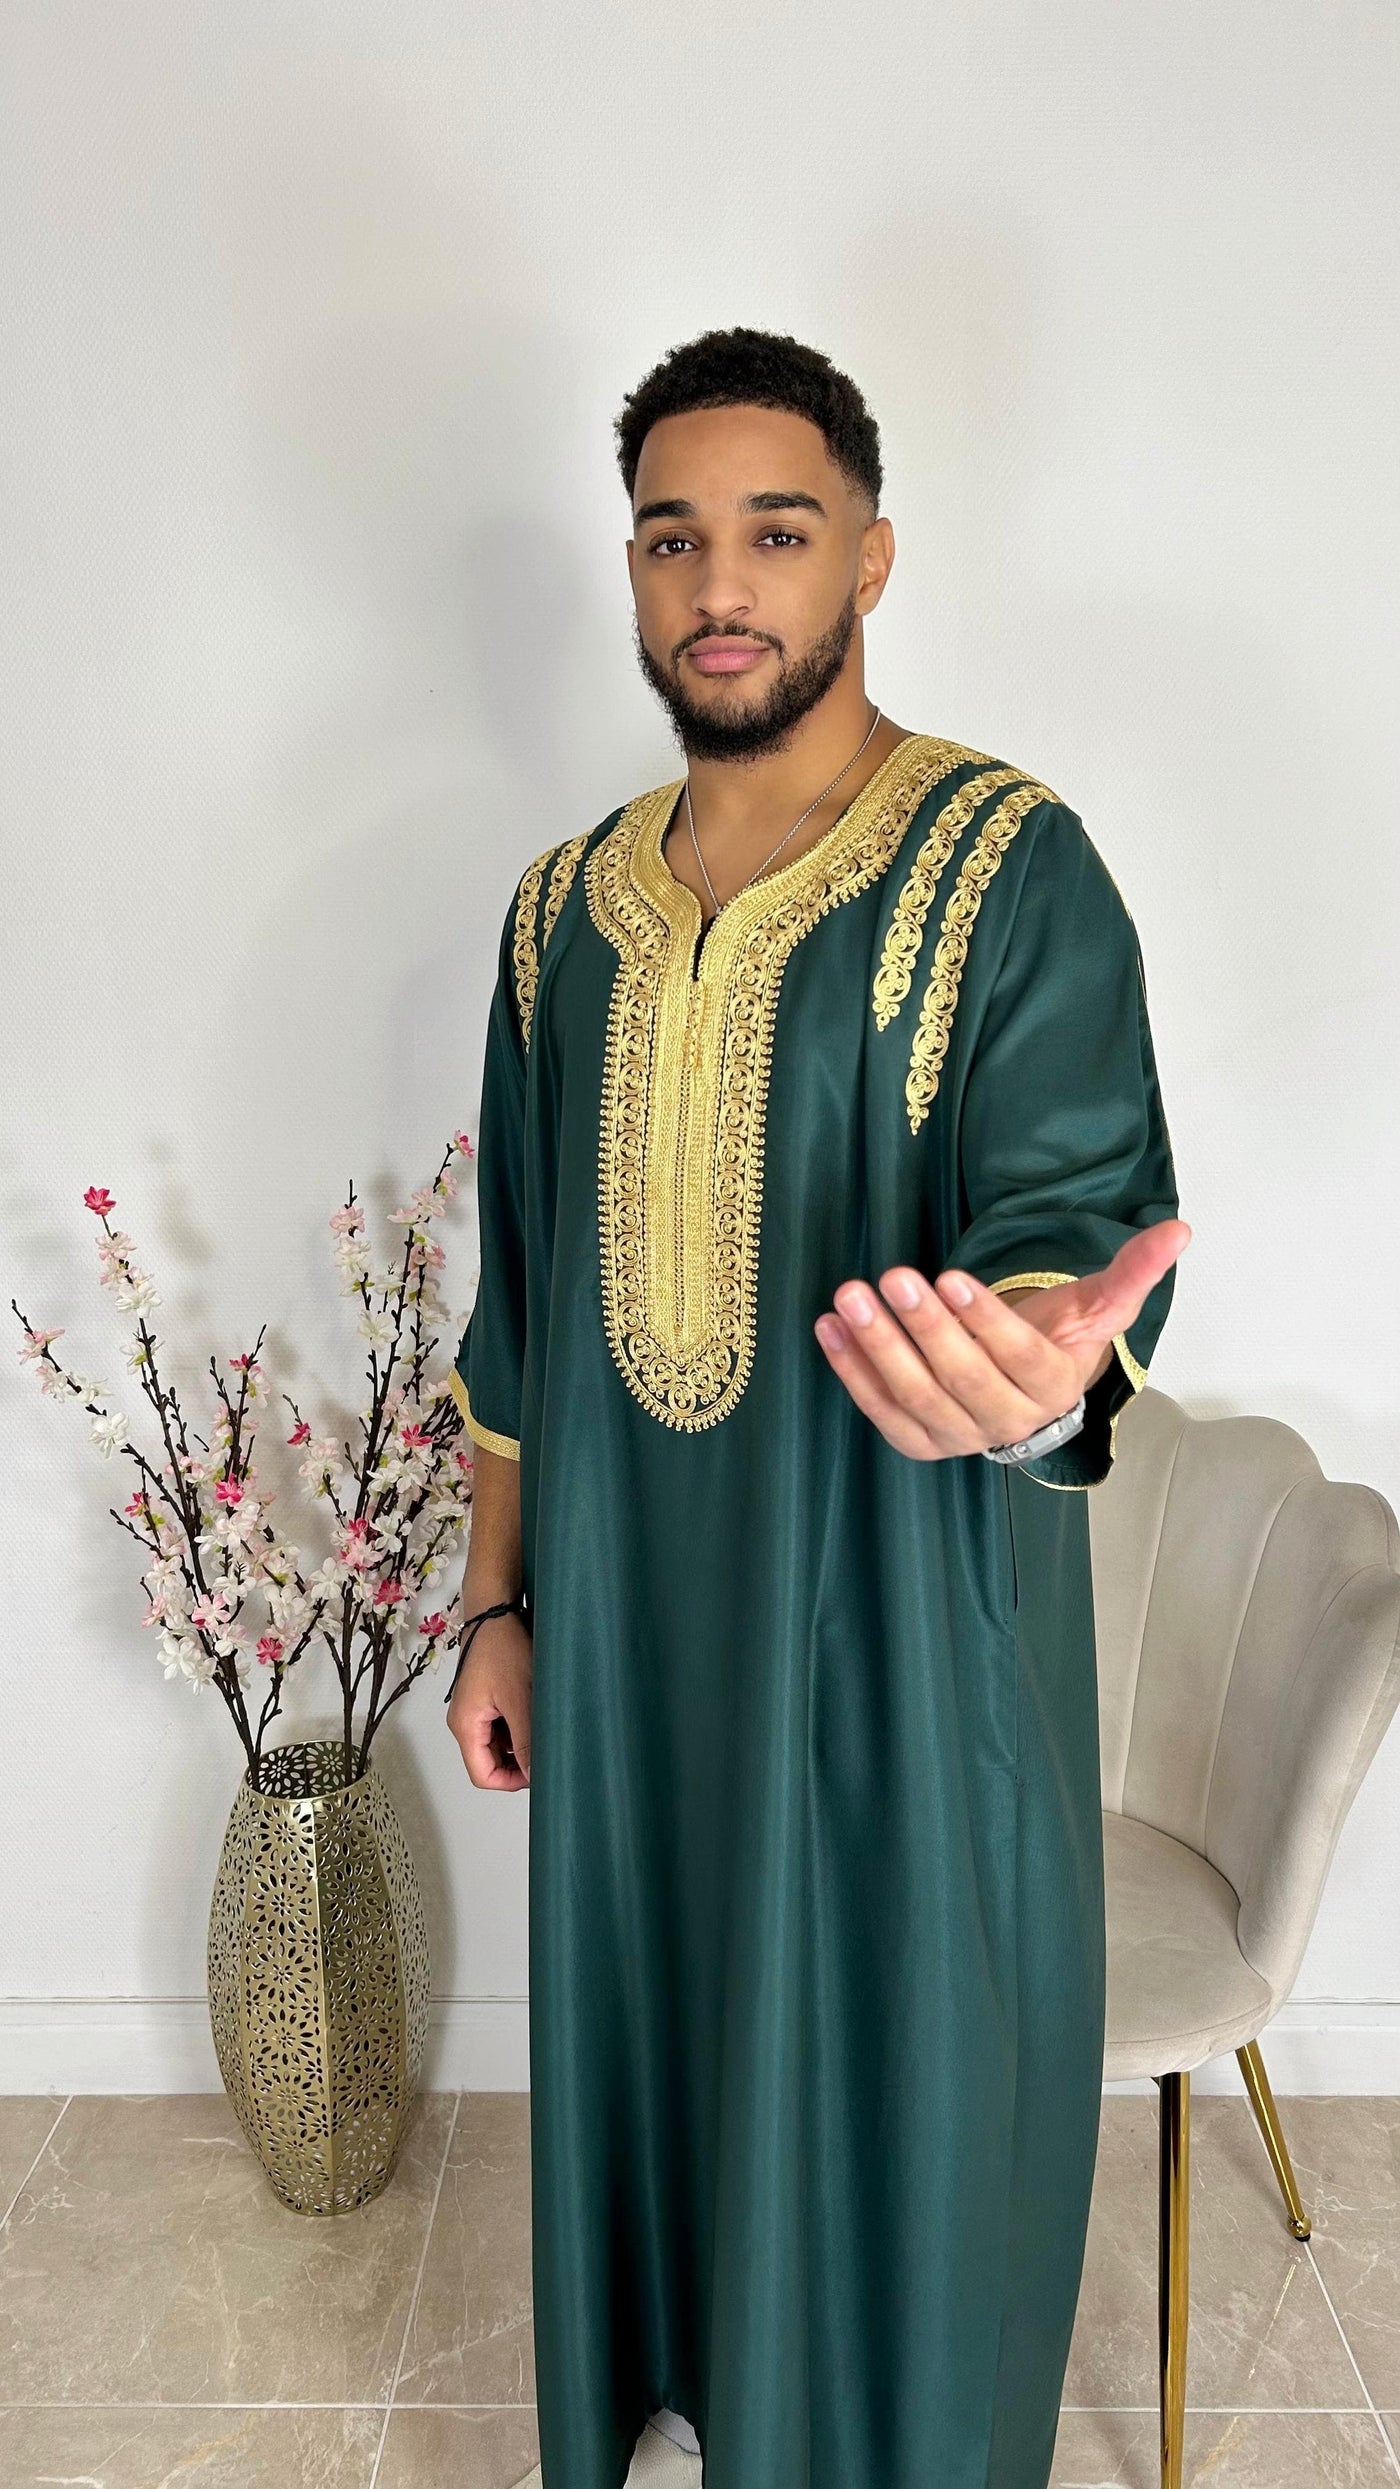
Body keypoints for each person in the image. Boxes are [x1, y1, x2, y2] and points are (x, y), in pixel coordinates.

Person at [444, 325, 1189, 2489]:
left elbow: (1065, 1217)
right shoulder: (556, 917)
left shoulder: (1010, 864)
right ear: (631, 569)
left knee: (909, 2105)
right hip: (627, 1670)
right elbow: (523, 1311)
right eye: (670, 537)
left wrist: (1030, 1369)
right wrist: (495, 1609)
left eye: (776, 531)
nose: (719, 584)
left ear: (870, 556)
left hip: (900, 1649)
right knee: (667, 2062)